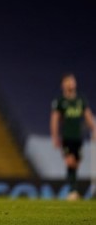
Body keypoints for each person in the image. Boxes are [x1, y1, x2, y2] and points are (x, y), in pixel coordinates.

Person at [50, 72, 95, 200]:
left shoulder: (80, 100)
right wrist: (55, 137)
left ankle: (73, 189)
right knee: (70, 162)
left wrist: (94, 129)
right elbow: (54, 120)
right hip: (66, 137)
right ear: (63, 85)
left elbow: (88, 116)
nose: (70, 83)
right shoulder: (60, 101)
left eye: (72, 81)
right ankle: (72, 191)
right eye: (68, 81)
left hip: (78, 137)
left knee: (76, 163)